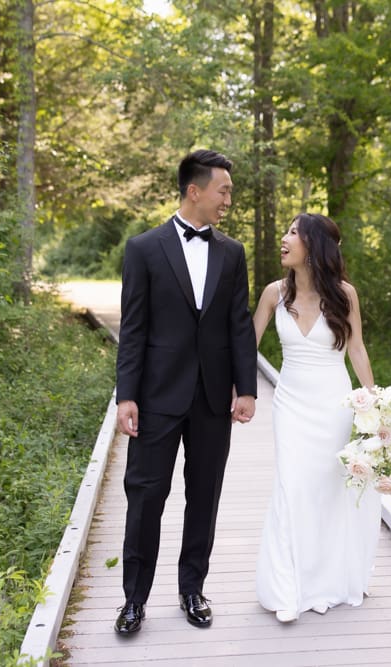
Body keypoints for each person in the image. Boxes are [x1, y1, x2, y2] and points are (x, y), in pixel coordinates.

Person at [113, 149, 258, 635]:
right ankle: (134, 601)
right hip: (156, 396)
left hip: (213, 399)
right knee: (146, 497)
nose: (228, 201)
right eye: (224, 190)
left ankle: (192, 589)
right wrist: (126, 395)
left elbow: (240, 325)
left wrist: (247, 388)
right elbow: (132, 329)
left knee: (205, 496)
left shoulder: (232, 253)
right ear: (194, 191)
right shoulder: (143, 249)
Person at [252, 212, 379, 623]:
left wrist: (375, 406)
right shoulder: (274, 293)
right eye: (286, 231)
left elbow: (356, 350)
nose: (284, 239)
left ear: (314, 246)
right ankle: (287, 589)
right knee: (292, 488)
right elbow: (244, 345)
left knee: (329, 492)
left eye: (293, 233)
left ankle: (326, 581)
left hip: (335, 406)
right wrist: (235, 389)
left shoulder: (345, 294)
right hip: (290, 406)